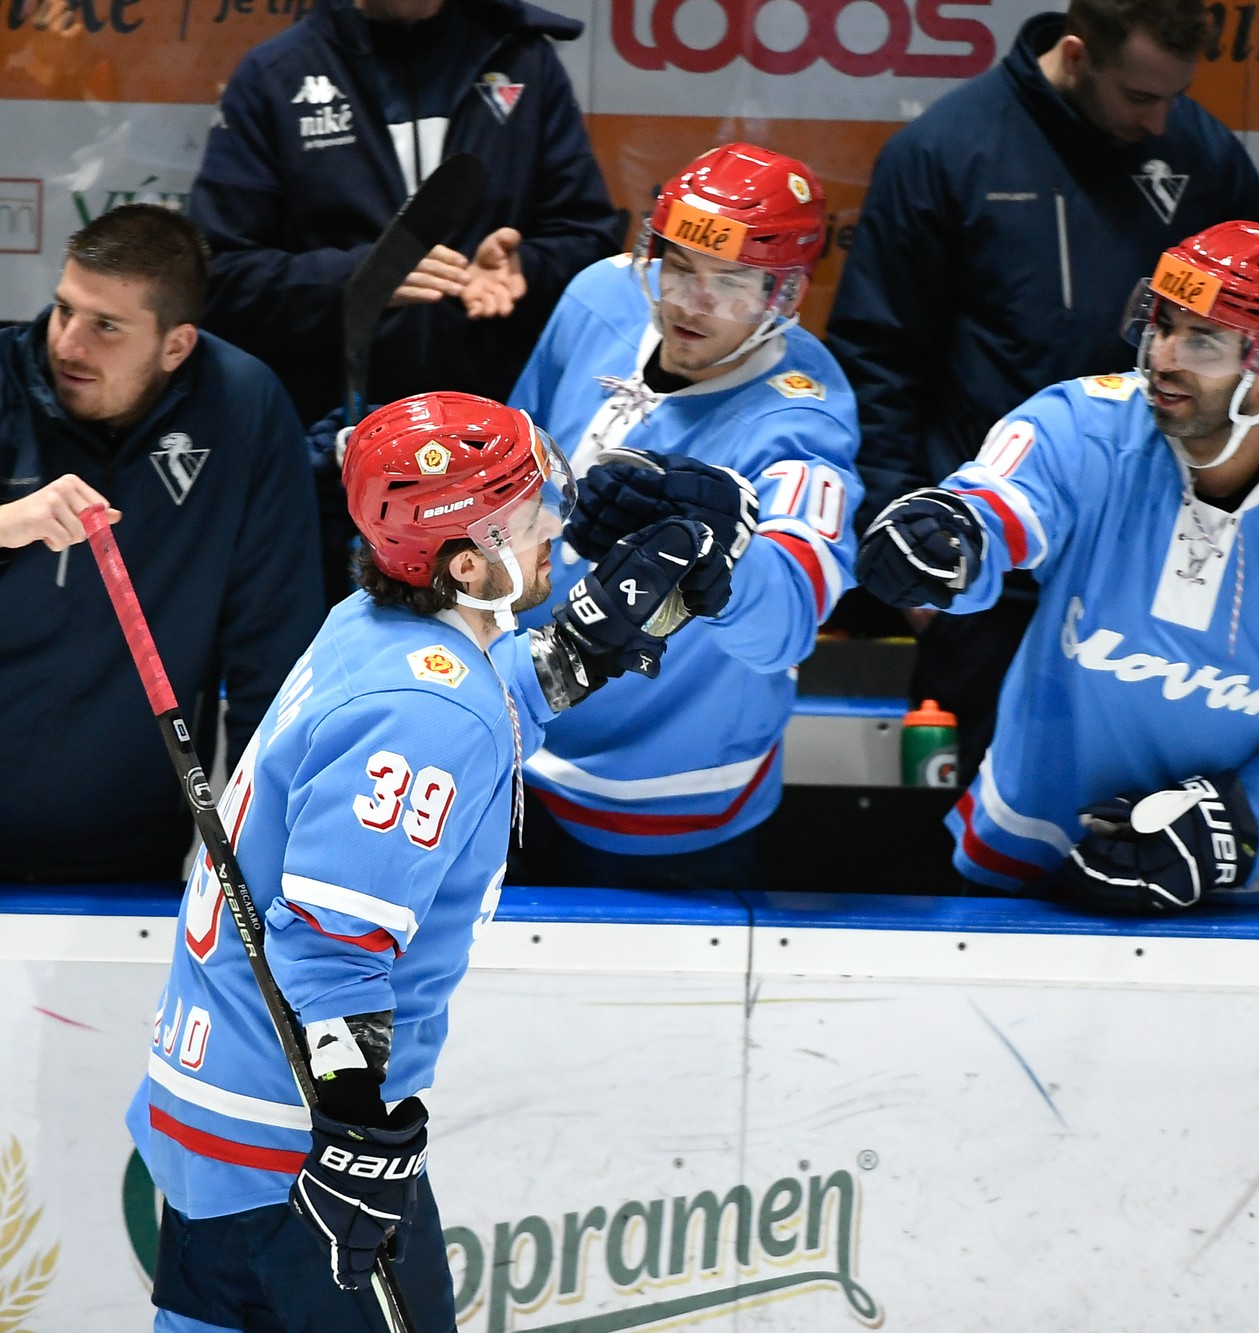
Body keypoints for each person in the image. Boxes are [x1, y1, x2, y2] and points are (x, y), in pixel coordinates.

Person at [130, 390, 724, 1332]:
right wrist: (358, 1131)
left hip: (220, 1104)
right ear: (465, 561)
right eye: (529, 519)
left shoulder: (372, 629)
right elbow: (332, 943)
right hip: (301, 1145)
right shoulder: (429, 713)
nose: (556, 530)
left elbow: (483, 694)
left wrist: (603, 633)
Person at [855, 221, 1259, 910]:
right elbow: (999, 505)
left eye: (1201, 341)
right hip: (1029, 857)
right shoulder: (1085, 422)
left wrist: (1223, 828)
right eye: (1163, 324)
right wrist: (949, 537)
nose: (1162, 357)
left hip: (1231, 899)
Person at [826, 0, 1259, 776]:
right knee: (973, 847)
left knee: (1146, 826)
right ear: (1076, 53)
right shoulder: (944, 152)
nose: (1163, 121)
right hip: (987, 575)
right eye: (1140, 97)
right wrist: (905, 559)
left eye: (1176, 95)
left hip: (1163, 575)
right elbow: (878, 356)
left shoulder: (1206, 156)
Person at [505, 142, 860, 889]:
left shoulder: (802, 416)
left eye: (732, 283)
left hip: (670, 800)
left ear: (783, 295)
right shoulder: (599, 295)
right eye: (679, 267)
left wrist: (728, 554)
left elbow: (792, 614)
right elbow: (514, 462)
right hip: (513, 749)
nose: (692, 303)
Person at [0, 204, 320, 883]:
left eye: (106, 327)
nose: (67, 343)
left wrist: (273, 852)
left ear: (176, 345)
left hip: (126, 847)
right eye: (64, 310)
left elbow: (272, 646)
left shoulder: (245, 408)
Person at [187, 0, 623, 426]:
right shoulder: (275, 75)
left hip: (495, 436)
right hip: (332, 442)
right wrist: (364, 279)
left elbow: (591, 240)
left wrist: (524, 267)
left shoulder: (523, 59)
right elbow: (220, 278)